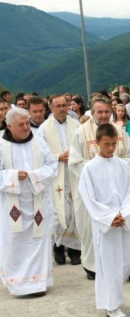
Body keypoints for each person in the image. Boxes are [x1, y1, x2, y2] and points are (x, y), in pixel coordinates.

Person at [69, 96, 130, 282]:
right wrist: (97, 170)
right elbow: (74, 162)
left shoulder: (119, 131)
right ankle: (92, 266)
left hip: (117, 190)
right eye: (100, 112)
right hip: (93, 193)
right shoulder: (81, 133)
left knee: (127, 225)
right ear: (92, 112)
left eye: (107, 111)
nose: (104, 115)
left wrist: (115, 169)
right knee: (93, 230)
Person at [79, 124, 130, 317]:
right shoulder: (89, 168)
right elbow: (89, 197)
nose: (111, 148)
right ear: (97, 143)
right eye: (106, 144)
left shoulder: (122, 165)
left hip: (123, 220)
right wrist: (110, 217)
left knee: (128, 261)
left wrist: (124, 214)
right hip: (105, 223)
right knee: (110, 264)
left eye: (113, 144)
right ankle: (113, 305)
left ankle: (111, 296)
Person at [0, 107, 57, 297]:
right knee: (15, 243)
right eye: (21, 125)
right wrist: (14, 176)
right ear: (9, 126)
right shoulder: (1, 145)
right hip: (11, 207)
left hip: (37, 204)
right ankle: (18, 284)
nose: (26, 128)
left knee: (37, 241)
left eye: (27, 123)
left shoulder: (39, 143)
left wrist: (33, 176)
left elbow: (52, 167)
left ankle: (38, 283)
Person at [37, 94, 82, 266]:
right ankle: (58, 247)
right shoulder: (43, 129)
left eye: (65, 105)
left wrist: (74, 156)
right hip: (56, 176)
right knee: (60, 213)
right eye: (59, 106)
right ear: (51, 108)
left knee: (76, 212)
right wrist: (57, 157)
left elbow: (82, 146)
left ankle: (75, 249)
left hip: (73, 173)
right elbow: (40, 154)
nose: (63, 109)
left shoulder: (76, 125)